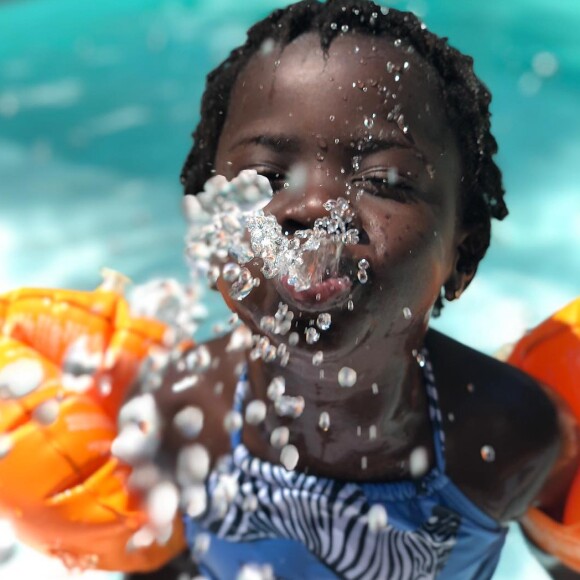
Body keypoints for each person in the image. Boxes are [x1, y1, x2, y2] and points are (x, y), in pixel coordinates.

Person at [1, 1, 579, 579]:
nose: (311, 206)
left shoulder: (508, 437)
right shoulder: (180, 419)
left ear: (463, 252)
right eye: (265, 178)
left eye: (382, 181)